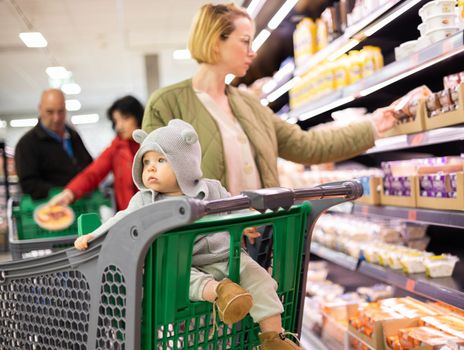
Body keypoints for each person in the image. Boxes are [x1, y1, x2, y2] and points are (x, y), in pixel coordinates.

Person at [74, 120, 300, 350]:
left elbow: (235, 207)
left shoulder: (212, 189)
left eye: (161, 160)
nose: (150, 167)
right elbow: (120, 219)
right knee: (176, 280)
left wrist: (247, 224)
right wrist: (95, 235)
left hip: (226, 257)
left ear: (184, 163)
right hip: (182, 266)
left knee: (259, 278)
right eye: (146, 161)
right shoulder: (144, 201)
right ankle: (221, 292)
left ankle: (273, 337)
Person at [141, 3, 396, 198]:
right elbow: (158, 188)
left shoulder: (249, 105)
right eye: (245, 41)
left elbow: (307, 145)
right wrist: (227, 216)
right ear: (216, 41)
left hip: (261, 241)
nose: (253, 52)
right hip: (206, 253)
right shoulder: (167, 104)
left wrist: (374, 124)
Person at [49, 96, 143, 211]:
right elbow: (92, 173)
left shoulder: (152, 143)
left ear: (138, 117)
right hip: (129, 216)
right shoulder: (115, 149)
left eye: (125, 118)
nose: (119, 126)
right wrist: (69, 193)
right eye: (116, 121)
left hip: (156, 212)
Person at [15, 89, 93, 200]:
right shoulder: (27, 144)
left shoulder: (73, 136)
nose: (56, 118)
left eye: (60, 111)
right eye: (50, 112)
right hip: (50, 209)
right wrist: (65, 192)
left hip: (82, 203)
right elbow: (29, 184)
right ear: (40, 109)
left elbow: (89, 166)